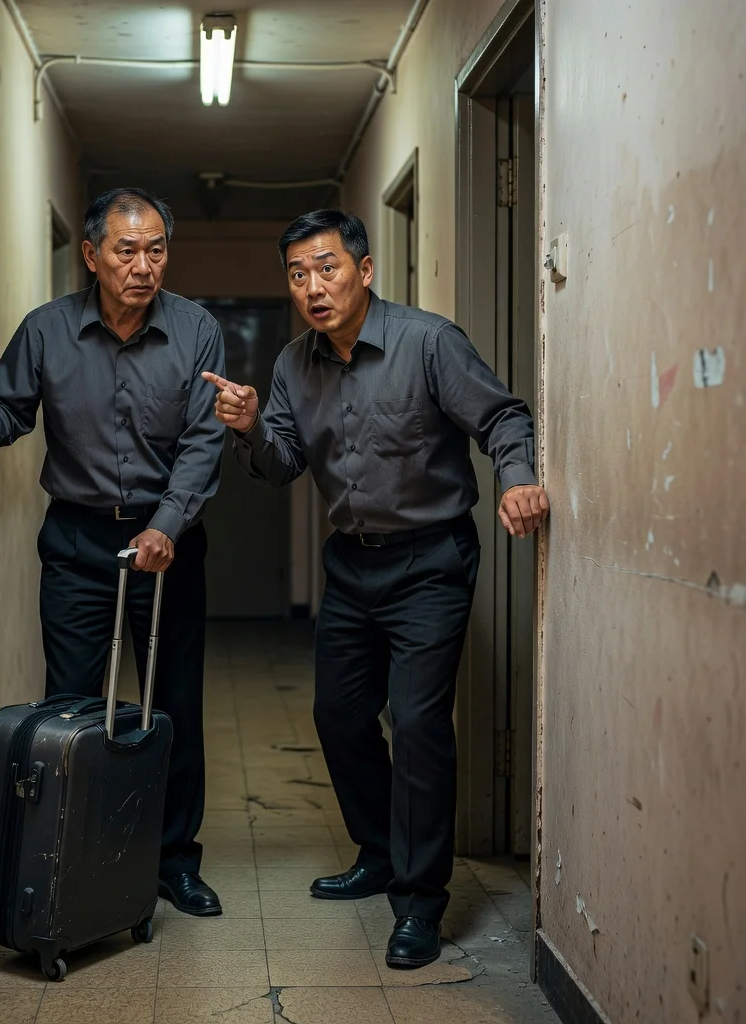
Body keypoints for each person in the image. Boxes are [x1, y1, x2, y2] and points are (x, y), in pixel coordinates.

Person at [204, 209, 549, 966]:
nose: (312, 287)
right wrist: (252, 425)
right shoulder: (295, 365)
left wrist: (518, 479)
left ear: (365, 269)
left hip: (432, 560)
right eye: (297, 274)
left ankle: (421, 902)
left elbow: (503, 418)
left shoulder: (429, 341)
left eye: (327, 268)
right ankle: (379, 850)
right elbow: (283, 463)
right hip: (352, 564)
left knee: (421, 726)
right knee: (339, 715)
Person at [0, 187, 227, 917]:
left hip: (169, 543)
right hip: (77, 540)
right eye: (127, 250)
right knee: (74, 706)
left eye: (156, 249)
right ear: (92, 255)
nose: (143, 265)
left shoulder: (196, 330)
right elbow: (9, 414)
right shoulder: (46, 330)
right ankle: (76, 853)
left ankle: (173, 861)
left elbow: (202, 441)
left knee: (172, 707)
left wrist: (166, 525)